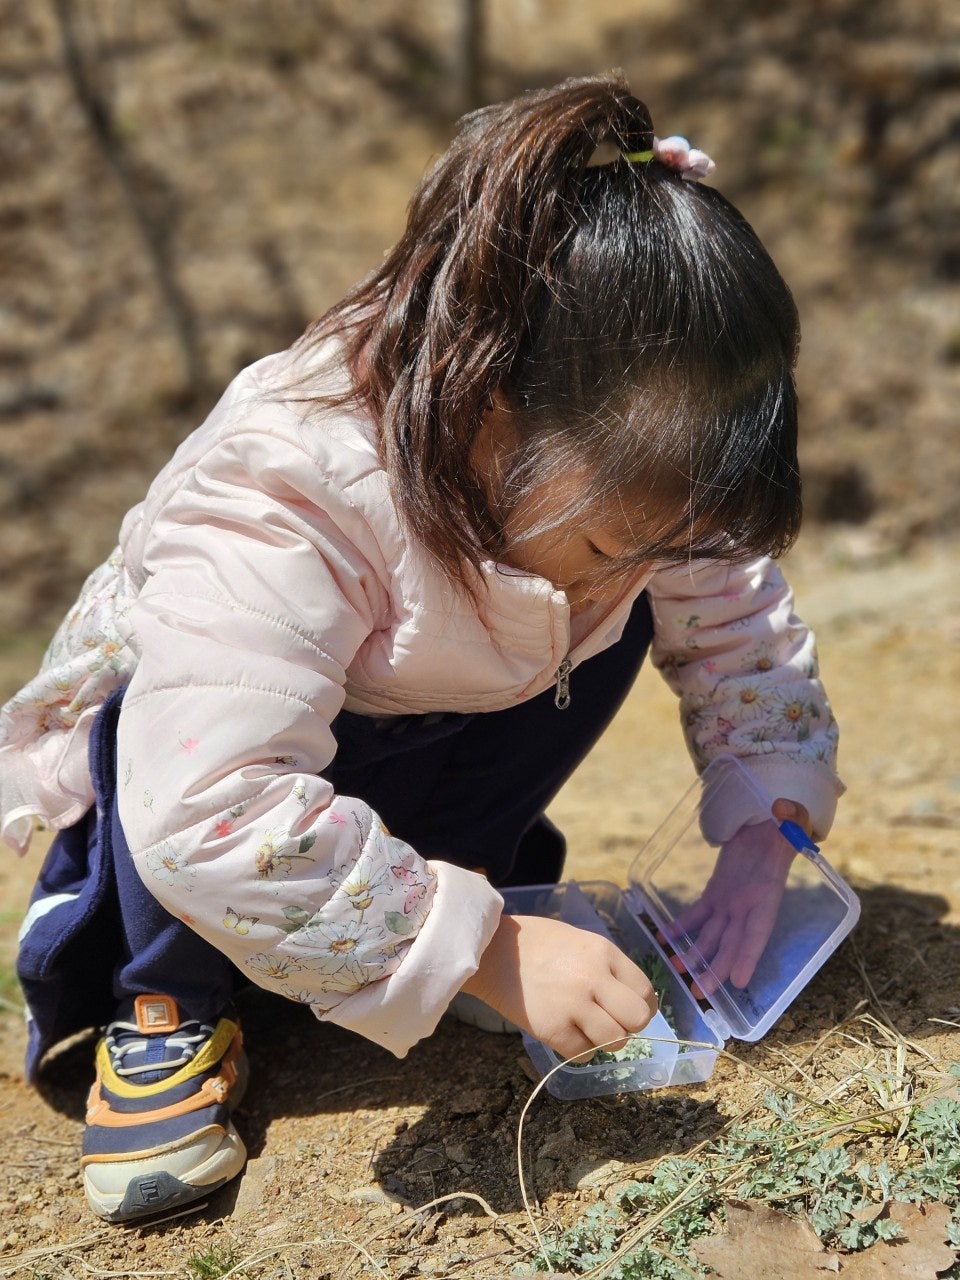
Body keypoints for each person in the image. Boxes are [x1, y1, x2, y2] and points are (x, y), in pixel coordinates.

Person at [0, 73, 842, 1223]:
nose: (636, 569)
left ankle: (441, 889)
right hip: (189, 800)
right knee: (197, 723)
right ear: (492, 406)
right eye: (610, 538)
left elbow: (738, 620)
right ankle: (168, 1014)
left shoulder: (636, 462)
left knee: (607, 609)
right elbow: (206, 803)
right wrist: (492, 950)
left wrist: (766, 822)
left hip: (422, 732)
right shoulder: (288, 480)